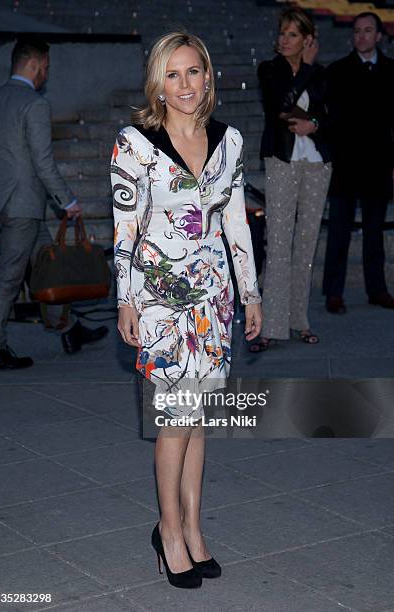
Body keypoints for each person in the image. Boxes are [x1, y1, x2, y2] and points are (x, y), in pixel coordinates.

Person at [111, 32, 262, 588]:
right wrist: (124, 298)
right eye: (171, 75)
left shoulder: (230, 141)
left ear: (208, 77)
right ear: (158, 81)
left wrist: (251, 292)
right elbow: (125, 229)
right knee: (175, 422)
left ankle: (194, 529)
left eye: (192, 72)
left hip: (214, 298)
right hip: (158, 302)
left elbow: (235, 223)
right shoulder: (135, 143)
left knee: (200, 422)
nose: (183, 85)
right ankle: (168, 533)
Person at [0, 38, 108, 371]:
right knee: (9, 277)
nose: (46, 74)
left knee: (46, 266)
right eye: (47, 68)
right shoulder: (34, 104)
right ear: (36, 64)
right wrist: (67, 200)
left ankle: (69, 330)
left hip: (10, 201)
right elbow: (43, 162)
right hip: (23, 203)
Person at [250, 7, 332, 352]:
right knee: (279, 241)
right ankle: (270, 324)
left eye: (293, 35)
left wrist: (316, 124)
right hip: (282, 159)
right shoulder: (269, 70)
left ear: (308, 40)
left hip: (317, 163)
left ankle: (300, 320)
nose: (285, 40)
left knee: (307, 242)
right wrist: (306, 69)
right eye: (282, 33)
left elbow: (333, 115)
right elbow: (279, 106)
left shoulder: (323, 74)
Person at [322, 12, 394, 314]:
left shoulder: (392, 71)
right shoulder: (337, 71)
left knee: (375, 232)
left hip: (378, 164)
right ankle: (334, 293)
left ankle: (377, 290)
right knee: (338, 231)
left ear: (379, 36)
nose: (361, 36)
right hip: (346, 165)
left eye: (367, 31)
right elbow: (330, 120)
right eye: (357, 31)